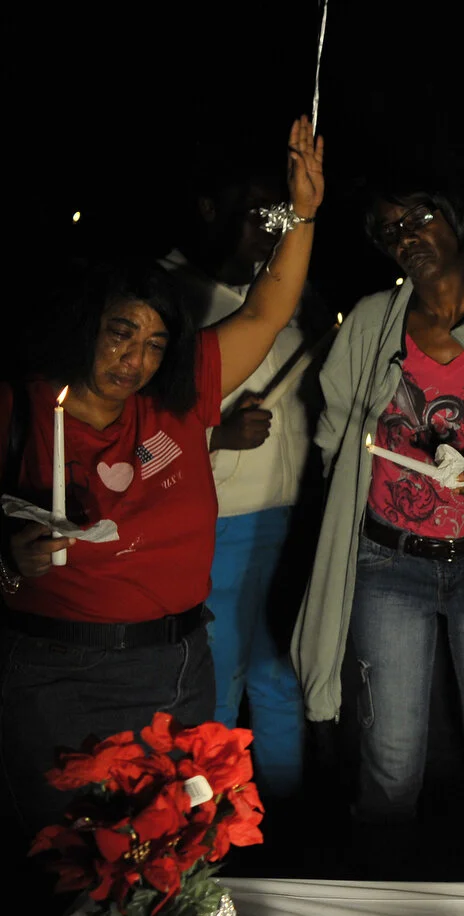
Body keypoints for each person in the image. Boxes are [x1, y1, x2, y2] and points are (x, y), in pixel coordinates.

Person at [0, 117, 323, 837]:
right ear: (87, 324)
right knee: (73, 863)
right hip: (58, 673)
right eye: (122, 332)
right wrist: (6, 555)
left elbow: (269, 308)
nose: (136, 358)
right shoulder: (22, 409)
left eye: (154, 342)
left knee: (175, 855)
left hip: (176, 669)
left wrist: (302, 213)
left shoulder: (177, 400)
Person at [290, 182, 464, 835]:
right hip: (388, 561)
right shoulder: (374, 323)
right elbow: (334, 434)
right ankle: (383, 909)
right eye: (389, 231)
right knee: (391, 766)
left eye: (418, 218)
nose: (405, 236)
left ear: (458, 221)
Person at [160, 160, 328, 803]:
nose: (271, 228)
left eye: (279, 215)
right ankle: (206, 838)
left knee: (277, 672)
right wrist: (214, 435)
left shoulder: (280, 294)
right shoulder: (166, 295)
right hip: (216, 521)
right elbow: (132, 429)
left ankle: (282, 819)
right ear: (209, 207)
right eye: (257, 211)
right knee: (221, 677)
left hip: (284, 516)